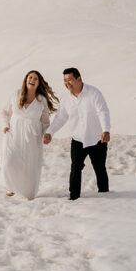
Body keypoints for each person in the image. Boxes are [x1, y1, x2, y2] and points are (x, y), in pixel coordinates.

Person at [43, 67, 111, 200]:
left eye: (69, 80)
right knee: (75, 168)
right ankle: (73, 197)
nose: (67, 83)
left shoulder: (94, 93)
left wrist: (106, 130)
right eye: (64, 80)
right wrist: (50, 132)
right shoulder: (66, 98)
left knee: (100, 168)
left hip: (97, 138)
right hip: (78, 139)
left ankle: (105, 196)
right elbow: (60, 118)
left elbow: (102, 111)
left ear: (79, 79)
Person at [0, 70, 59, 199]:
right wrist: (5, 125)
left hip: (33, 136)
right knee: (9, 162)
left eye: (35, 78)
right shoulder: (16, 94)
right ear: (26, 80)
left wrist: (47, 134)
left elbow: (45, 122)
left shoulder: (41, 100)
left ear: (39, 83)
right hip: (14, 134)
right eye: (30, 77)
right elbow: (5, 112)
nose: (32, 80)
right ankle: (11, 186)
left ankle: (27, 191)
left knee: (29, 165)